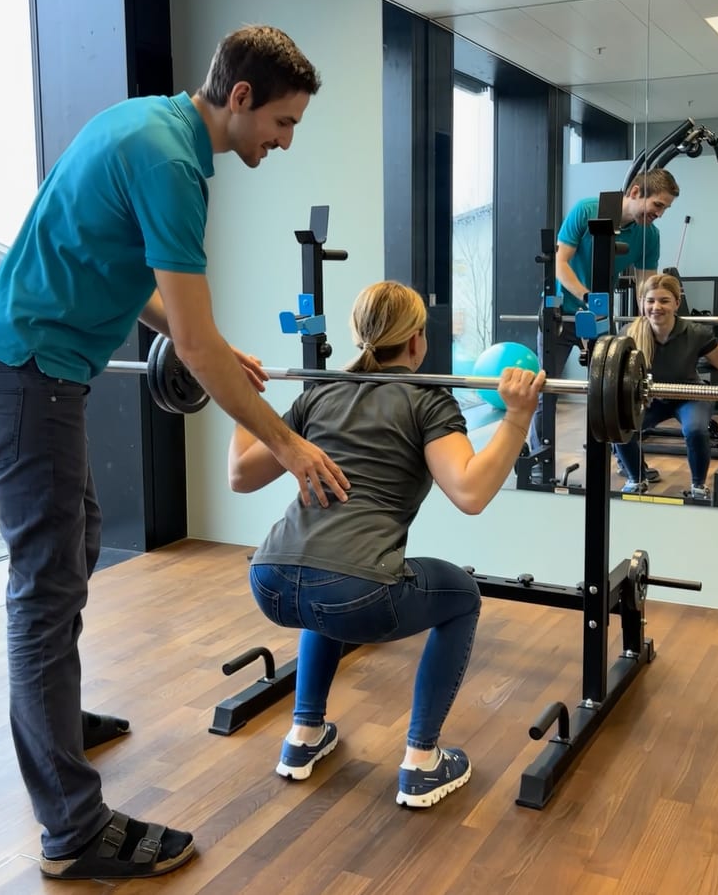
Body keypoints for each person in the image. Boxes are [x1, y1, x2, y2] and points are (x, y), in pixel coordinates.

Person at [0, 25, 351, 882]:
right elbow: (199, 353)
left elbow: (139, 282)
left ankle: (50, 716)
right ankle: (71, 824)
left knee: (77, 541)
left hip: (31, 365)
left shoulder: (145, 125)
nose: (284, 143)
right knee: (46, 584)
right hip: (29, 372)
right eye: (284, 124)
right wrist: (285, 442)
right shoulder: (174, 165)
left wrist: (207, 338)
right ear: (240, 97)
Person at [227, 281, 545, 808]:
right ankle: (422, 762)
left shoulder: (318, 392)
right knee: (461, 595)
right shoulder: (426, 397)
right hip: (355, 590)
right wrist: (517, 416)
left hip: (270, 579)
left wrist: (243, 399)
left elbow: (240, 474)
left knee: (324, 588)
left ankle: (303, 737)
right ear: (417, 341)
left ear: (359, 336)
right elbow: (470, 493)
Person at [530, 169, 680, 476]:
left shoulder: (648, 234)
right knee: (547, 389)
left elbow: (646, 285)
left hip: (599, 317)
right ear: (636, 192)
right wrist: (589, 297)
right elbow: (560, 265)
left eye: (664, 208)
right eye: (658, 205)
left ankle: (629, 465)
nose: (660, 214)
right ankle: (539, 463)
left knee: (613, 391)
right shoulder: (586, 211)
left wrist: (655, 314)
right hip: (560, 315)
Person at [614, 273, 718, 500]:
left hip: (689, 395)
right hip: (651, 397)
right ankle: (636, 478)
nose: (656, 307)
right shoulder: (630, 333)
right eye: (650, 301)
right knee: (621, 425)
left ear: (677, 303)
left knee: (696, 430)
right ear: (642, 303)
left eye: (664, 301)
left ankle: (698, 486)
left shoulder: (696, 333)